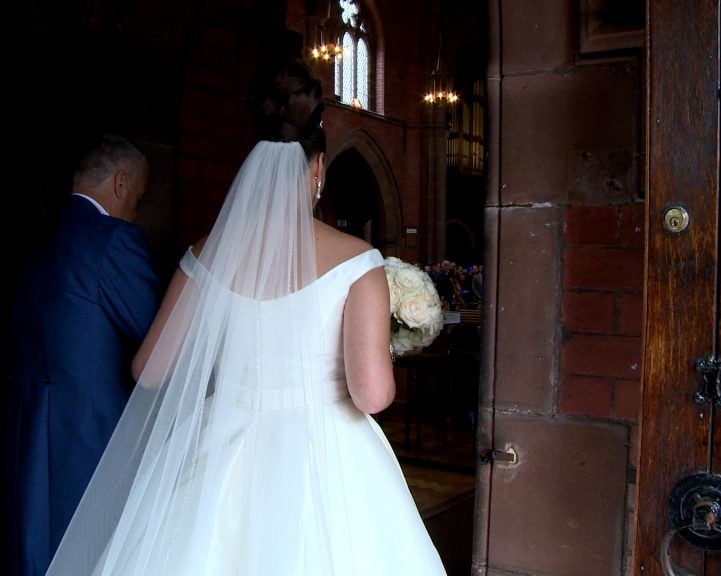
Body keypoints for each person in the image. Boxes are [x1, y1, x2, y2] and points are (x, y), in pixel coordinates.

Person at [47, 61, 445, 575]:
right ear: (318, 168)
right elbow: (372, 395)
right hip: (327, 456)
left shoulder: (205, 256)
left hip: (222, 446)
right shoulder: (358, 263)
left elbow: (147, 370)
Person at [5, 136, 160, 576]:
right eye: (139, 196)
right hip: (88, 433)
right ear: (121, 181)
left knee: (38, 549)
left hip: (29, 428)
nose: (136, 208)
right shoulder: (113, 240)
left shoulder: (39, 238)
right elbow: (157, 339)